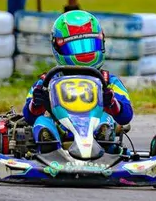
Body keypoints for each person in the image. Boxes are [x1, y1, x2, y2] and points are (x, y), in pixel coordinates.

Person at [22, 10, 134, 153]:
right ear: (58, 47)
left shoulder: (108, 81)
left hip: (95, 135)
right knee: (41, 122)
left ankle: (102, 145)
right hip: (60, 134)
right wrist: (37, 103)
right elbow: (28, 116)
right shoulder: (48, 81)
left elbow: (126, 116)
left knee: (106, 120)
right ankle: (49, 150)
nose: (84, 53)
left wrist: (111, 103)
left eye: (89, 45)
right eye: (76, 46)